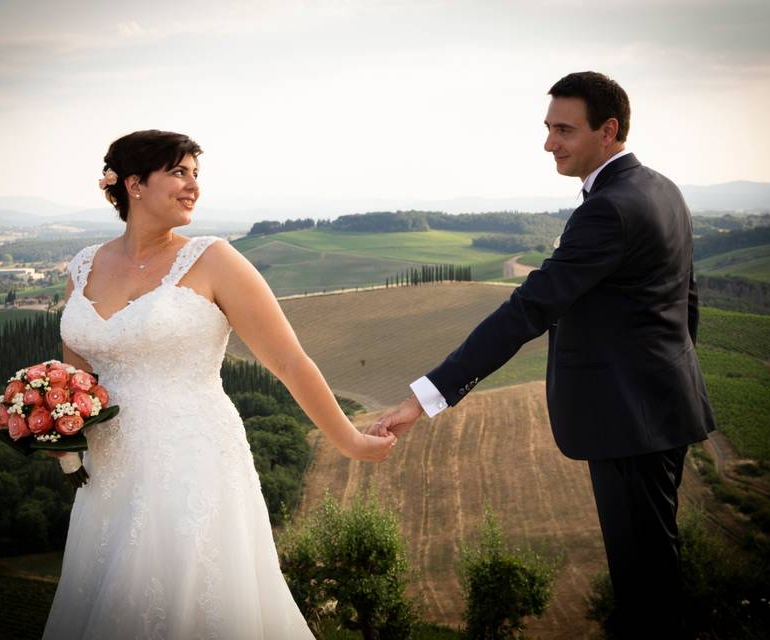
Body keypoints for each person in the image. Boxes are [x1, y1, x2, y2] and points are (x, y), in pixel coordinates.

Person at [371, 72, 715, 639]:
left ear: (608, 131)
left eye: (564, 129)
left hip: (630, 422)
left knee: (643, 584)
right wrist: (666, 376)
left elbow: (528, 310)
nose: (549, 143)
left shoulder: (609, 209)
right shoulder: (660, 189)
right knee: (654, 568)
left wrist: (424, 398)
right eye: (548, 128)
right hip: (661, 407)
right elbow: (686, 300)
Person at [43, 130, 396, 639]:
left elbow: (291, 361)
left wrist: (351, 441)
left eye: (196, 175)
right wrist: (54, 430)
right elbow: (77, 383)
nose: (193, 186)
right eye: (179, 172)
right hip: (108, 472)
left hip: (193, 462)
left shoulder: (214, 260)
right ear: (135, 184)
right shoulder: (83, 266)